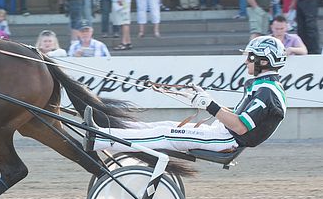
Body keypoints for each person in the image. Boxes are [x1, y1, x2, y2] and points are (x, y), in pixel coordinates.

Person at [84, 36, 288, 154]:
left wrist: (210, 106)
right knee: (163, 127)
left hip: (227, 139)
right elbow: (236, 118)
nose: (246, 61)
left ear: (264, 61)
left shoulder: (266, 93)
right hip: (223, 133)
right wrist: (207, 100)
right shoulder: (263, 87)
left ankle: (100, 140)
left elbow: (240, 126)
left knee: (163, 134)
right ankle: (107, 130)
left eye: (250, 57)